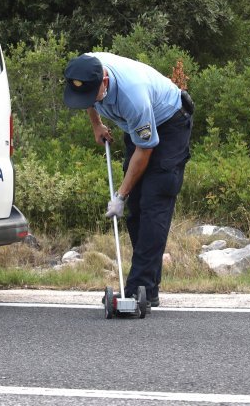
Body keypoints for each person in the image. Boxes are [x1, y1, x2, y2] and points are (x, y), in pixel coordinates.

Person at [63, 52, 193, 309]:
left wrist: (120, 195)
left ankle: (138, 288)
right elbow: (87, 99)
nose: (89, 99)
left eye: (93, 93)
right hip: (136, 128)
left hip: (169, 124)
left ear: (104, 81)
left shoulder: (133, 97)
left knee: (153, 202)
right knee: (135, 212)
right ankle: (148, 288)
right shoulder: (85, 69)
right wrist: (97, 126)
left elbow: (145, 151)